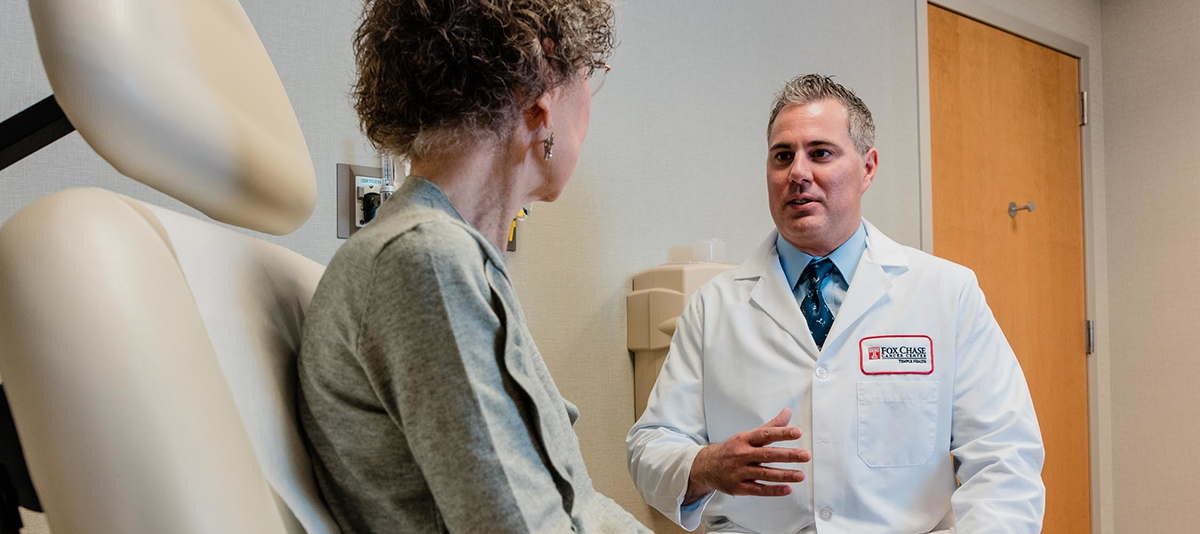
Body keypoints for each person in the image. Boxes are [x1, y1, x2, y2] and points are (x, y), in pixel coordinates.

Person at [626, 74, 1045, 534]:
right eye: (782, 156)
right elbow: (650, 445)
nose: (798, 173)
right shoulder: (714, 307)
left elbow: (1005, 455)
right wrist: (704, 465)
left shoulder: (947, 292)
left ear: (868, 168)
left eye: (820, 153)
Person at [296, 1, 649, 533]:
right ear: (541, 100)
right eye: (588, 77)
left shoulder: (457, 259)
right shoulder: (427, 262)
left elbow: (576, 502)